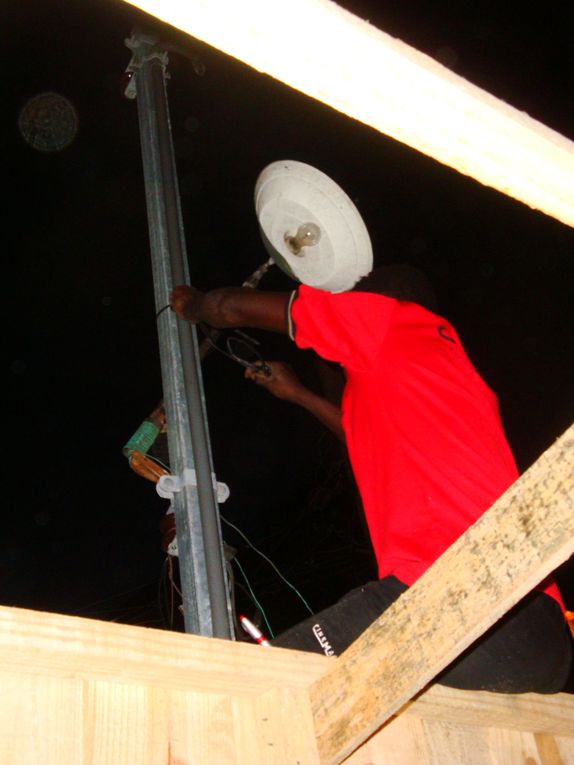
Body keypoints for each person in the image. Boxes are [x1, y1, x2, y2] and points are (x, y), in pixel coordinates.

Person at [170, 265, 572, 692]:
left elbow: (231, 307)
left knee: (252, 695)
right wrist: (299, 394)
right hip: (538, 634)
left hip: (465, 599)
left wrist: (193, 303)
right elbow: (359, 432)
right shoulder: (445, 368)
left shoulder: (386, 319)